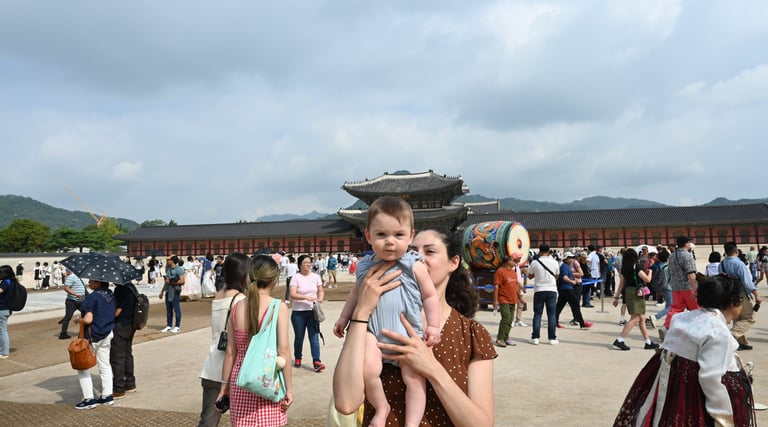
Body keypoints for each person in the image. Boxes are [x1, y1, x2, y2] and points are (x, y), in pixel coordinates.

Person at [333, 229, 496, 426]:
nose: (417, 257)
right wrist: (360, 313)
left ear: (453, 263)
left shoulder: (471, 334)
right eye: (411, 251)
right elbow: (345, 403)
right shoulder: (370, 325)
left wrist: (433, 369)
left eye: (429, 252)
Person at [333, 196, 441, 426]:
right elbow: (355, 294)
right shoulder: (364, 266)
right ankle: (382, 408)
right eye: (382, 235)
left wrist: (433, 325)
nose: (390, 242)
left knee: (414, 378)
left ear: (411, 236)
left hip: (407, 333)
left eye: (398, 235)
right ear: (369, 236)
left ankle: (412, 423)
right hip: (373, 334)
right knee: (367, 369)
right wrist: (344, 317)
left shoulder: (415, 265)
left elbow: (430, 296)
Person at [613, 274, 755, 426]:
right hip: (690, 393)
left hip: (669, 383)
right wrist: (723, 417)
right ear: (734, 302)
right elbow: (711, 379)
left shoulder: (682, 318)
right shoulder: (718, 333)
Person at [217, 255, 293, 426]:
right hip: (268, 378)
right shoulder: (278, 307)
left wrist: (224, 388)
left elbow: (230, 352)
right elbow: (284, 350)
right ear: (274, 279)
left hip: (242, 379)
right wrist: (289, 389)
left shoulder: (236, 307)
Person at [198, 252, 248, 427]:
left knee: (208, 421)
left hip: (212, 366)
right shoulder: (241, 299)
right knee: (244, 419)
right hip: (234, 368)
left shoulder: (219, 295)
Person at [73, 279, 116, 409]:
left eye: (91, 282)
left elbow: (88, 319)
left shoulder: (92, 297)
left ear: (98, 283)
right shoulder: (111, 295)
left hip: (95, 335)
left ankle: (88, 398)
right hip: (108, 332)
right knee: (105, 365)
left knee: (83, 366)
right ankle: (107, 395)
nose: (89, 283)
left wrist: (79, 320)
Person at [611, 248, 660, 351]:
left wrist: (616, 297)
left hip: (629, 291)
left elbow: (621, 284)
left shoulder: (625, 268)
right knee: (636, 318)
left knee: (642, 318)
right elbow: (647, 279)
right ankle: (620, 339)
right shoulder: (636, 266)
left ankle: (648, 342)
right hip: (636, 293)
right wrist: (650, 271)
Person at [720, 242, 763, 351]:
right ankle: (732, 335)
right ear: (736, 251)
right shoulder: (739, 264)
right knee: (749, 317)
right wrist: (757, 295)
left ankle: (740, 342)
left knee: (738, 317)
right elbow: (747, 282)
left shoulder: (722, 264)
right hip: (741, 293)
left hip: (729, 293)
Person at [289, 254, 325, 372]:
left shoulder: (316, 277)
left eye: (309, 262)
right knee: (299, 337)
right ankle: (298, 357)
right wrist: (305, 297)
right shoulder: (296, 277)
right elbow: (292, 294)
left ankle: (317, 361)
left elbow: (320, 291)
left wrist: (320, 298)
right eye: (305, 263)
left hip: (312, 311)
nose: (308, 265)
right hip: (298, 312)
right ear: (300, 264)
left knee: (314, 337)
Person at [110, 280, 139, 399]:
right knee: (127, 354)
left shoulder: (120, 289)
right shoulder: (132, 287)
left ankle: (119, 388)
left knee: (117, 356)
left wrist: (106, 318)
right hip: (131, 324)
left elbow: (117, 311)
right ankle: (130, 383)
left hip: (121, 325)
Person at [664, 236, 699, 330]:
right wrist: (695, 288)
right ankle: (699, 328)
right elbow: (691, 273)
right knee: (697, 308)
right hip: (688, 286)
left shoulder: (672, 256)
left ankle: (667, 326)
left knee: (675, 308)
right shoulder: (687, 255)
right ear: (686, 244)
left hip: (675, 286)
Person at [527, 244, 560, 345]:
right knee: (552, 315)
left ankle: (535, 337)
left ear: (539, 251)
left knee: (537, 314)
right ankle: (552, 338)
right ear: (549, 251)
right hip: (551, 290)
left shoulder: (535, 262)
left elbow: (530, 276)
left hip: (539, 290)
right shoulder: (555, 262)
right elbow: (557, 276)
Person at [492, 254, 524, 347]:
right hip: (503, 299)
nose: (514, 262)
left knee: (510, 320)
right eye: (512, 260)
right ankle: (500, 338)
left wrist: (520, 298)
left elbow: (516, 286)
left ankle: (506, 337)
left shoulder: (513, 272)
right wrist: (495, 300)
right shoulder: (500, 272)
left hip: (513, 299)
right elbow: (496, 287)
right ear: (507, 261)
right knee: (506, 318)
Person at [556, 252, 592, 329]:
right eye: (570, 257)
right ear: (566, 259)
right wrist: (572, 281)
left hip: (564, 289)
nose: (571, 259)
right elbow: (564, 277)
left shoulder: (565, 266)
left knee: (559, 307)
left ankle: (555, 322)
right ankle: (582, 324)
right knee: (575, 305)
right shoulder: (565, 267)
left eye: (572, 257)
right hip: (567, 289)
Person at [59, 268, 87, 340]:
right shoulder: (71, 277)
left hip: (81, 301)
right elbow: (66, 288)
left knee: (86, 314)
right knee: (68, 317)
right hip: (72, 301)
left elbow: (83, 288)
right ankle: (63, 333)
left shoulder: (79, 278)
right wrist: (75, 294)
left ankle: (85, 331)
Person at [159, 255, 185, 333]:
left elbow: (182, 281)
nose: (167, 261)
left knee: (176, 308)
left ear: (173, 260)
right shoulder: (168, 270)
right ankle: (169, 325)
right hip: (168, 290)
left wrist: (171, 282)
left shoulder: (179, 270)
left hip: (175, 291)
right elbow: (166, 282)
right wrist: (162, 291)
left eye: (168, 260)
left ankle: (177, 326)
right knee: (169, 309)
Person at [0, 265, 19, 359]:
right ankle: (2, 349)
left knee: (2, 331)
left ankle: (4, 352)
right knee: (2, 330)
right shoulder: (11, 281)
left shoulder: (6, 282)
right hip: (6, 309)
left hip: (2, 309)